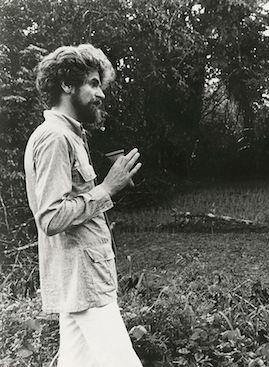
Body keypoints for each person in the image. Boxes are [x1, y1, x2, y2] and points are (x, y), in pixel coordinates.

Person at [24, 44, 143, 366]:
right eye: (93, 83)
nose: (100, 93)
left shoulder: (71, 136)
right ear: (67, 85)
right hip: (84, 282)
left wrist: (106, 189)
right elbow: (50, 217)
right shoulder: (55, 138)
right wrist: (107, 188)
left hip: (83, 282)